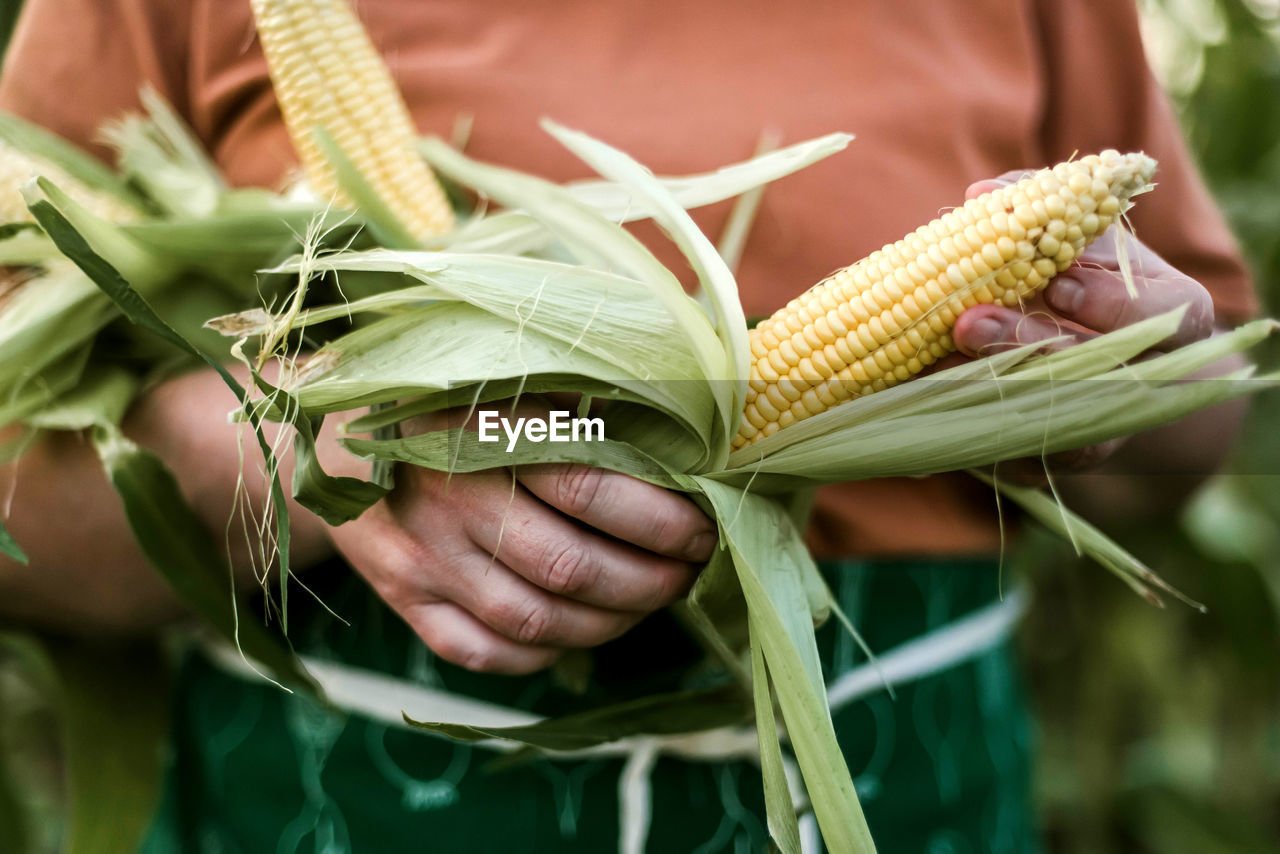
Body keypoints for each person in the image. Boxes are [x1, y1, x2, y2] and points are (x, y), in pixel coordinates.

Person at [0, 1, 1255, 851]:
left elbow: (1195, 424)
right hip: (348, 789)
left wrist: (1123, 385)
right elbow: (21, 496)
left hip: (890, 775)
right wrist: (324, 446)